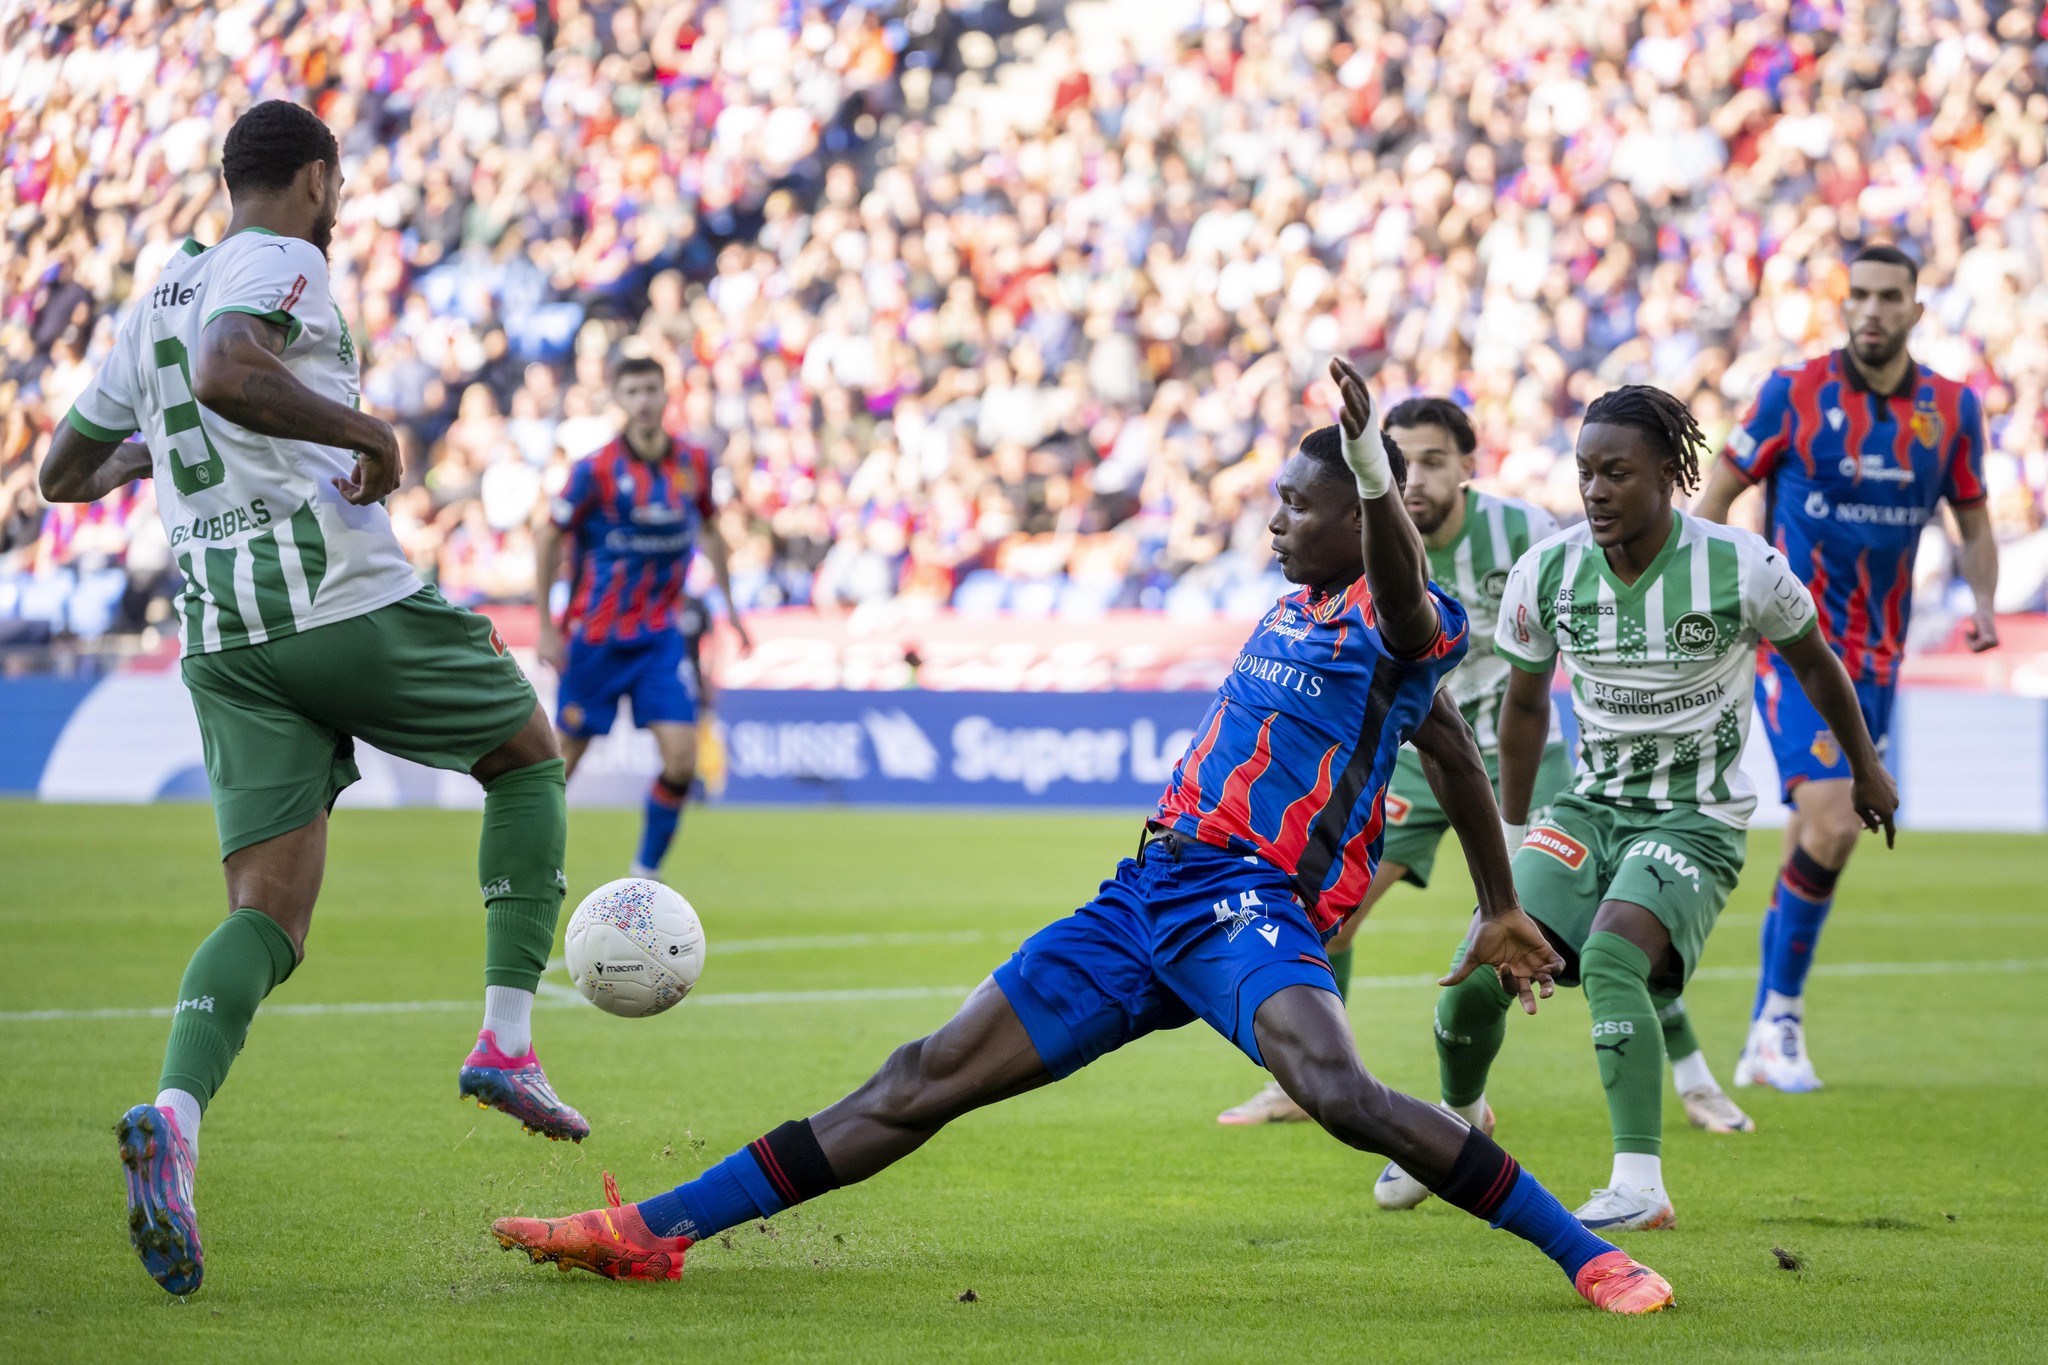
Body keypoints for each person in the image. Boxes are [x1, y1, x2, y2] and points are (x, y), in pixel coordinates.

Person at [488, 359, 1675, 1314]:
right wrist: (1491, 896)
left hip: (1247, 902)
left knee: (1338, 1091)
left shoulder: (1400, 621)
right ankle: (654, 1231)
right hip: (1145, 894)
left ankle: (1587, 1256)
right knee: (918, 1080)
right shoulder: (1293, 606)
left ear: (1347, 518)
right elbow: (1454, 754)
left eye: (1293, 505)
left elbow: (1415, 623)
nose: (1271, 521)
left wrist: (1366, 470)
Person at [37, 102, 587, 1298]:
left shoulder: (148, 307)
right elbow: (236, 366)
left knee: (269, 921)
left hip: (223, 638)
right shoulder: (278, 256)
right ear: (317, 181)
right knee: (527, 755)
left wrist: (147, 457)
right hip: (335, 597)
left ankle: (175, 1120)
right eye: (336, 190)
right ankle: (505, 1037)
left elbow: (58, 473)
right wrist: (367, 428)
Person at [1373, 386, 1898, 1232]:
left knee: (1616, 955)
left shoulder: (1742, 564)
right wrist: (1507, 857)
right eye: (1585, 473)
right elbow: (1524, 710)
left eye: (1617, 472)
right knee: (1477, 970)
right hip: (1589, 806)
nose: (1597, 490)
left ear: (1669, 474)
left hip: (1696, 816)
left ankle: (1640, 1182)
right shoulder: (1549, 567)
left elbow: (1817, 664)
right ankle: (1457, 1124)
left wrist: (1866, 767)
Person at [1219, 399, 1751, 1140]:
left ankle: (1693, 1076)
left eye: (1435, 461)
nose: (1415, 479)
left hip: (1525, 759)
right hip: (1417, 755)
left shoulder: (1524, 532)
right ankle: (1301, 1081)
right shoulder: (1362, 544)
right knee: (1327, 919)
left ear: (1468, 468)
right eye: (1400, 463)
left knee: (1611, 924)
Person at [1693, 243, 1998, 1092]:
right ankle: (1781, 1019)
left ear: (1915, 309)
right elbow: (1717, 495)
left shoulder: (1950, 409)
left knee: (1810, 836)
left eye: (1889, 296)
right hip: (1795, 649)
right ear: (1845, 304)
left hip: (1881, 660)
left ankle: (1764, 1031)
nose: (1871, 309)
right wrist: (1712, 598)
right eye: (1858, 294)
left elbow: (1973, 521)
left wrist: (1980, 603)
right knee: (1833, 823)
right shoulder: (1794, 392)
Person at [534, 356, 750, 881]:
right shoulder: (595, 470)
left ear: (666, 394)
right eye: (632, 391)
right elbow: (547, 535)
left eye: (652, 389)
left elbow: (713, 530)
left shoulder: (693, 463)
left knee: (682, 760)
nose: (644, 401)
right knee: (563, 764)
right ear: (618, 399)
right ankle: (532, 869)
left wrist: (731, 607)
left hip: (659, 637)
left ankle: (643, 877)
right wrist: (546, 622)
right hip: (596, 637)